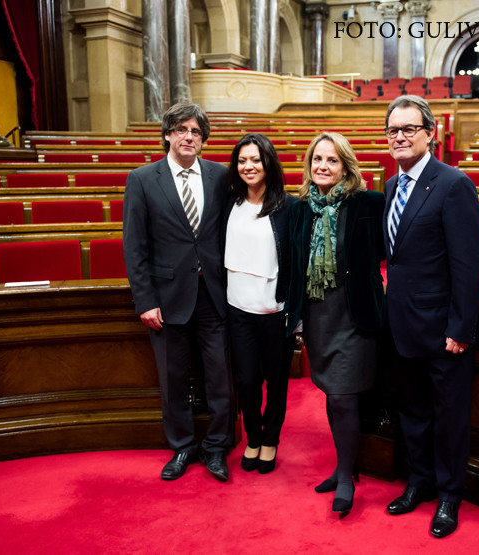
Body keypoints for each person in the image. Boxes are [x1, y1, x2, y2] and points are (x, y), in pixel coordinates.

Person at [381, 95, 479, 538]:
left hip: (443, 332)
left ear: (430, 133)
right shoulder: (391, 185)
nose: (400, 137)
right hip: (401, 326)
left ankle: (448, 496)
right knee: (413, 413)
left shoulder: (453, 184)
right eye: (393, 131)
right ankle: (419, 483)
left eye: (408, 129)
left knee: (448, 419)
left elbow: (470, 263)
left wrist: (460, 327)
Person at [123, 102, 232, 483]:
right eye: (182, 130)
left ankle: (217, 447)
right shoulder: (142, 179)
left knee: (220, 377)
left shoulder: (221, 176)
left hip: (215, 295)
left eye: (197, 132)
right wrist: (145, 300)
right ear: (168, 134)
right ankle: (183, 446)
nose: (190, 137)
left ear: (203, 140)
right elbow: (135, 246)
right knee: (172, 379)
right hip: (167, 299)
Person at [286, 132, 385, 517]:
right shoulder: (300, 210)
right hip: (317, 314)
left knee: (344, 396)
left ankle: (346, 477)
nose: (323, 167)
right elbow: (293, 267)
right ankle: (346, 467)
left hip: (354, 314)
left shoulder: (368, 204)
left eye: (332, 160)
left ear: (346, 166)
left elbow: (393, 249)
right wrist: (292, 314)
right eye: (317, 160)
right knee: (331, 392)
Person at [224, 133, 297, 474]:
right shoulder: (228, 201)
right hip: (238, 309)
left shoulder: (289, 206)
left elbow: (296, 264)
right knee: (247, 381)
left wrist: (295, 317)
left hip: (275, 312)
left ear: (268, 163)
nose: (248, 166)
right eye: (242, 160)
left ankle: (270, 440)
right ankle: (253, 437)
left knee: (276, 382)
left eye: (255, 160)